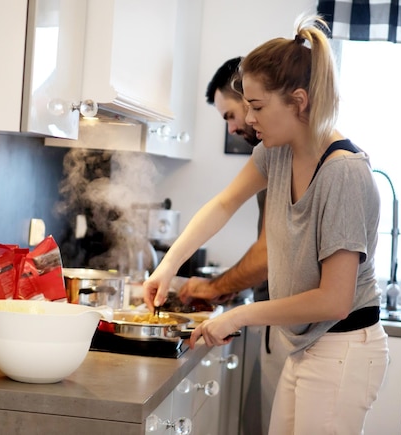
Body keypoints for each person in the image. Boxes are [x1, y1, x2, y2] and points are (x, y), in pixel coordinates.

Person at [144, 14, 388, 434]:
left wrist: (239, 316)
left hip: (343, 347)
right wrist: (167, 267)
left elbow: (334, 300)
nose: (250, 119)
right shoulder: (279, 153)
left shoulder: (343, 172)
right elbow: (223, 204)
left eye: (257, 106)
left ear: (298, 101)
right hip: (307, 345)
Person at [178, 56, 286, 435]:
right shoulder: (271, 154)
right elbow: (224, 203)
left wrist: (213, 287)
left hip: (293, 327)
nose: (238, 125)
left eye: (232, 114)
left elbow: (270, 255)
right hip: (279, 321)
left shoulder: (294, 154)